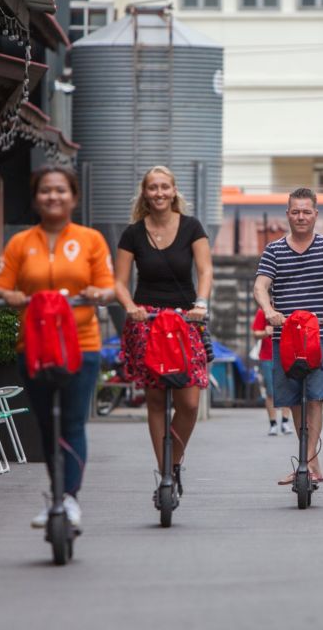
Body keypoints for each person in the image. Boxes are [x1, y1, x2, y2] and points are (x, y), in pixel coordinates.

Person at [0, 165, 116, 529]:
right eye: (46, 191)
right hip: (34, 345)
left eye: (61, 190)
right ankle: (55, 495)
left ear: (73, 197)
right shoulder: (20, 243)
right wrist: (10, 296)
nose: (53, 197)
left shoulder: (91, 240)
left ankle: (71, 499)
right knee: (47, 425)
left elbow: (108, 287)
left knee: (73, 421)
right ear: (35, 198)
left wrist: (97, 293)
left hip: (82, 345)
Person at [114, 165, 213, 503]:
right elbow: (119, 280)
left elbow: (205, 269)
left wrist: (201, 303)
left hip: (186, 321)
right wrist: (129, 306)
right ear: (145, 193)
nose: (158, 193)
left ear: (174, 191)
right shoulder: (132, 234)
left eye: (164, 187)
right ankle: (165, 478)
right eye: (152, 188)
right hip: (147, 322)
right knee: (156, 401)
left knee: (188, 401)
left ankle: (173, 464)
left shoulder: (191, 227)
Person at [253, 187, 323, 484]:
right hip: (285, 337)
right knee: (295, 400)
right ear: (287, 214)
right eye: (295, 211)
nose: (301, 217)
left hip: (319, 334)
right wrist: (268, 309)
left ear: (315, 214)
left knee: (316, 399)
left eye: (306, 211)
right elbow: (260, 286)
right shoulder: (274, 250)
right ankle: (310, 464)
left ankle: (304, 464)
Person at [252, 308, 293, 436]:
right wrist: (265, 332)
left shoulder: (289, 308)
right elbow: (255, 333)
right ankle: (273, 423)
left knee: (289, 388)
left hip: (287, 354)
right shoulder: (262, 311)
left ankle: (285, 422)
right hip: (267, 357)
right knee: (270, 391)